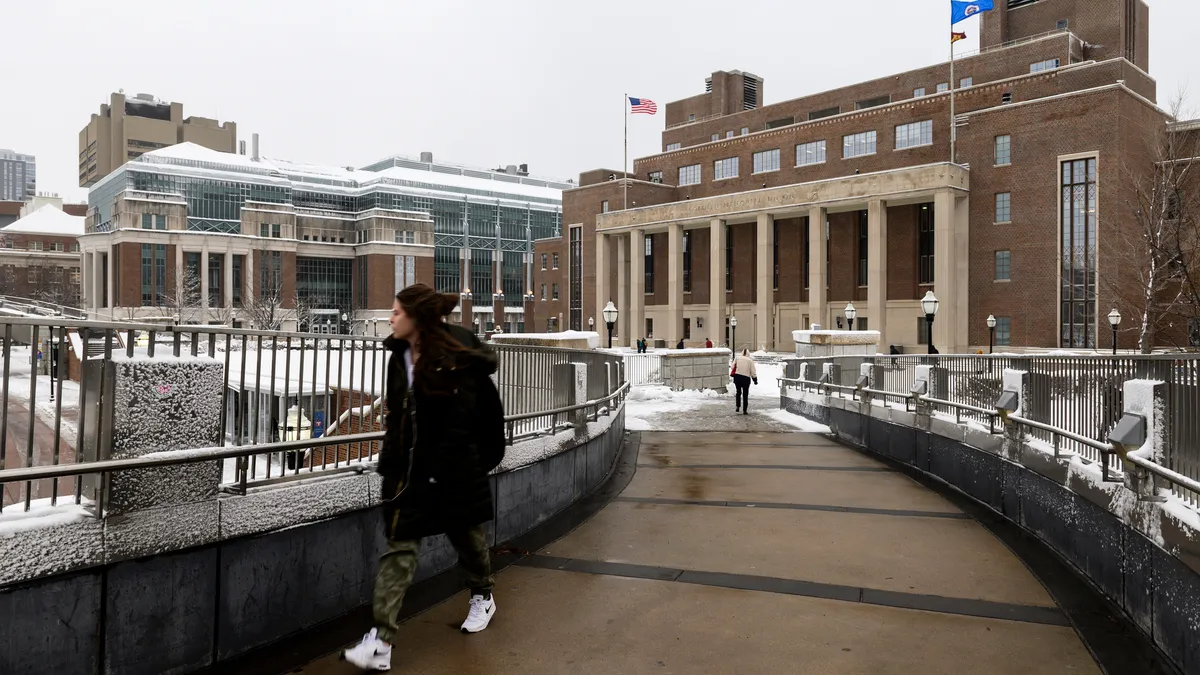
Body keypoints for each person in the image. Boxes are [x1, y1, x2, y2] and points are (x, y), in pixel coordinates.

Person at [343, 284, 506, 672]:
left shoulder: (455, 354)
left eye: (396, 312)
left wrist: (469, 463)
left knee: (467, 537)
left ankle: (483, 594)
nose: (389, 318)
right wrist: (392, 462)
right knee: (399, 550)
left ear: (415, 317)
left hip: (453, 468)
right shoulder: (399, 355)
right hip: (410, 473)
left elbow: (475, 414)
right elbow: (399, 417)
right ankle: (382, 640)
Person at [731, 348, 758, 415]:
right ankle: (744, 410)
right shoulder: (750, 361)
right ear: (748, 354)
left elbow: (732, 367)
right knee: (745, 394)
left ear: (742, 353)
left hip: (737, 377)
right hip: (746, 379)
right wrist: (755, 380)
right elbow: (753, 372)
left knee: (738, 392)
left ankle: (737, 406)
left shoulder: (737, 358)